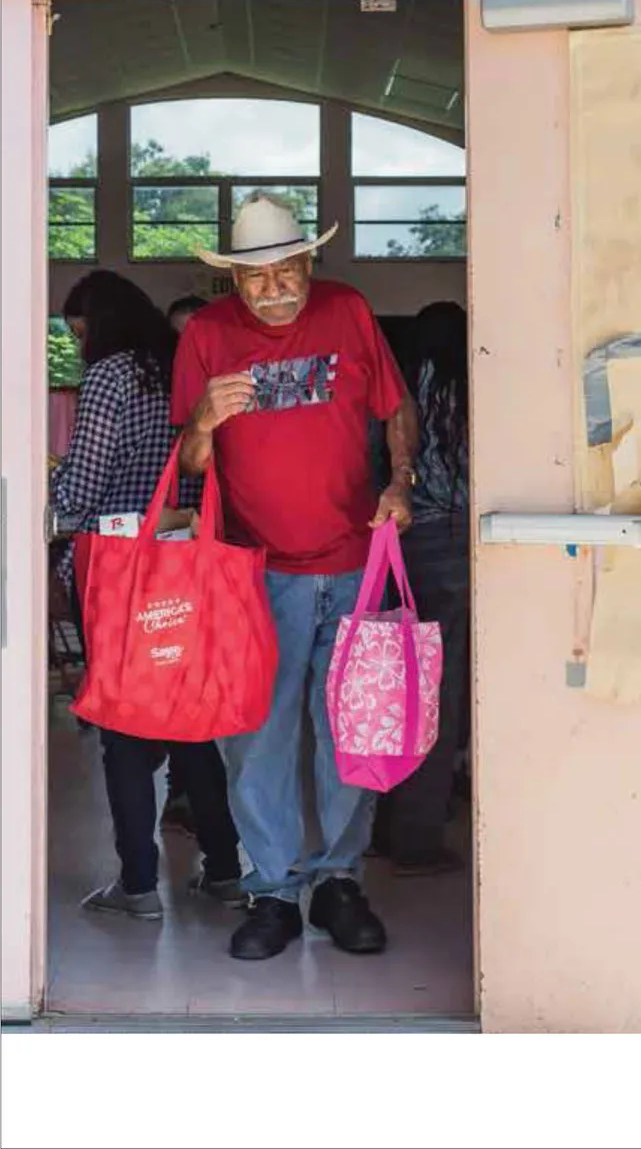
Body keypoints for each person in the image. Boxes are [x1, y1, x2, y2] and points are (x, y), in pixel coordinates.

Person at [173, 192, 419, 962]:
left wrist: (400, 480)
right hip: (254, 575)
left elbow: (396, 406)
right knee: (256, 742)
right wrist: (204, 420)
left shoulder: (347, 311)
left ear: (311, 262)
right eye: (256, 276)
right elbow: (189, 465)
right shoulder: (208, 336)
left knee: (351, 733)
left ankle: (339, 882)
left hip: (354, 561)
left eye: (288, 270)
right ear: (232, 280)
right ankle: (273, 891)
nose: (275, 287)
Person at [49, 270, 244, 922]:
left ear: (100, 326)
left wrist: (47, 502)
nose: (80, 346)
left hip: (123, 569)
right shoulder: (177, 365)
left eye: (81, 333)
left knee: (124, 727)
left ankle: (137, 883)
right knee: (188, 720)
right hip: (182, 558)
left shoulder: (111, 375)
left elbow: (83, 486)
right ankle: (224, 869)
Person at [371, 301, 470, 876]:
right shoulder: (460, 386)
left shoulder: (401, 388)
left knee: (391, 690)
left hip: (394, 546)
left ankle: (381, 824)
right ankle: (418, 836)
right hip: (448, 548)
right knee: (440, 696)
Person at [157, 294, 212, 839]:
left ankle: (200, 798)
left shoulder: (228, 393)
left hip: (216, 549)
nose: (185, 346)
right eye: (177, 336)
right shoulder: (165, 395)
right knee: (177, 672)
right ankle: (183, 790)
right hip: (171, 550)